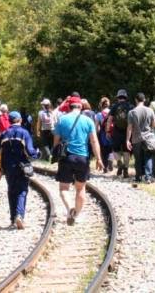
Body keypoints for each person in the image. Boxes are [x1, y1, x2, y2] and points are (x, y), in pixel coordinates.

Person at [53, 96, 103, 225]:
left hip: (66, 157)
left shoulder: (62, 120)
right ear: (81, 107)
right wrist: (99, 158)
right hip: (82, 157)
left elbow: (56, 142)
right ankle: (77, 214)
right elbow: (94, 141)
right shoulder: (88, 121)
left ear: (69, 107)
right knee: (80, 188)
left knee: (64, 188)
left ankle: (70, 209)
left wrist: (55, 154)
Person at [0, 111, 40, 229]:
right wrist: (37, 154)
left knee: (11, 190)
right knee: (22, 191)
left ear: (9, 121)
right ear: (20, 120)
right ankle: (19, 215)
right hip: (22, 167)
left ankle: (13, 218)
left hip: (8, 167)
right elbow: (30, 151)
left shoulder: (4, 134)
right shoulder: (24, 133)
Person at [126, 92, 155, 183]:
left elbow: (129, 128)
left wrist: (127, 140)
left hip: (136, 138)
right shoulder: (150, 110)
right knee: (148, 157)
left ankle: (138, 177)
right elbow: (154, 124)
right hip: (148, 138)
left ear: (136, 100)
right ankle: (148, 177)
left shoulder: (131, 112)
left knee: (138, 158)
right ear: (144, 100)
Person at [106, 89, 133, 178]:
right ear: (126, 97)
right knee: (126, 151)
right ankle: (125, 169)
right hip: (127, 131)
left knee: (115, 150)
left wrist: (107, 131)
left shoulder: (114, 106)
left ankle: (119, 163)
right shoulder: (130, 106)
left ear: (118, 97)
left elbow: (109, 120)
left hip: (116, 131)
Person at [95, 97, 113, 173]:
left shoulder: (98, 114)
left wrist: (97, 134)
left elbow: (97, 128)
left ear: (101, 105)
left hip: (103, 134)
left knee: (104, 151)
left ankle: (105, 167)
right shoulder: (112, 112)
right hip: (111, 133)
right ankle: (110, 162)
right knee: (111, 149)